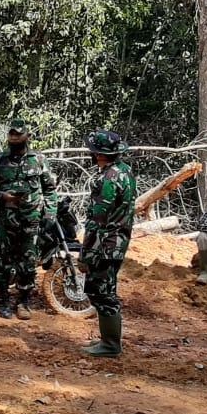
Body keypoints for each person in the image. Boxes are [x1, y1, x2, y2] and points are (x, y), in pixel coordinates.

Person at [0, 118, 58, 320]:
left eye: (18, 135)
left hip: (31, 220)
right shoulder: (0, 160)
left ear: (27, 137)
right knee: (3, 262)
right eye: (11, 134)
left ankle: (23, 301)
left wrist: (50, 213)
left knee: (28, 263)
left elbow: (49, 188)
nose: (14, 138)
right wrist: (1, 197)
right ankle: (3, 300)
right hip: (6, 220)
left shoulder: (38, 160)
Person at [78, 130, 136, 358]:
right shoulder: (125, 172)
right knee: (105, 290)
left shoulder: (107, 180)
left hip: (104, 245)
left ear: (99, 154)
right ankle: (108, 341)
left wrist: (85, 253)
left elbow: (97, 220)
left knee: (102, 293)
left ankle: (111, 344)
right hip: (118, 242)